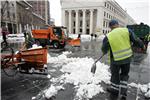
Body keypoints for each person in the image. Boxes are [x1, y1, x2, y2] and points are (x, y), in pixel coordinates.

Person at [101, 20, 145, 99]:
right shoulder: (127, 31)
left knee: (115, 75)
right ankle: (123, 92)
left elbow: (104, 47)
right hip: (127, 58)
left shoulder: (109, 36)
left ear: (110, 27)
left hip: (116, 60)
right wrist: (142, 46)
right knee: (124, 75)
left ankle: (114, 90)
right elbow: (136, 40)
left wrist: (105, 51)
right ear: (117, 25)